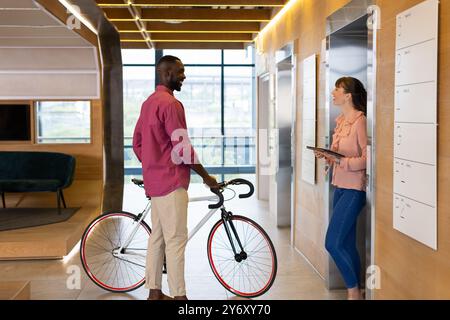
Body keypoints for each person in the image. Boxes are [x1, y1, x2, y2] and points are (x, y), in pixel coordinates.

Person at [132, 55, 219, 300]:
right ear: (166, 73)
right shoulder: (171, 104)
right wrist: (206, 177)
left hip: (155, 183)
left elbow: (136, 143)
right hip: (171, 183)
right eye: (180, 72)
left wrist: (152, 165)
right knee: (176, 240)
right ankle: (180, 297)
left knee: (157, 239)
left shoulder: (149, 102)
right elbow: (182, 149)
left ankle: (154, 293)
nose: (184, 76)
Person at [314, 76, 367, 300]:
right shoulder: (341, 120)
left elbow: (367, 159)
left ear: (348, 95)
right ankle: (361, 287)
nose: (333, 92)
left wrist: (341, 161)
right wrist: (328, 156)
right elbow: (340, 154)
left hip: (355, 190)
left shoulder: (360, 121)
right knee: (345, 242)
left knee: (332, 243)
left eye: (337, 89)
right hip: (340, 187)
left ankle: (353, 292)